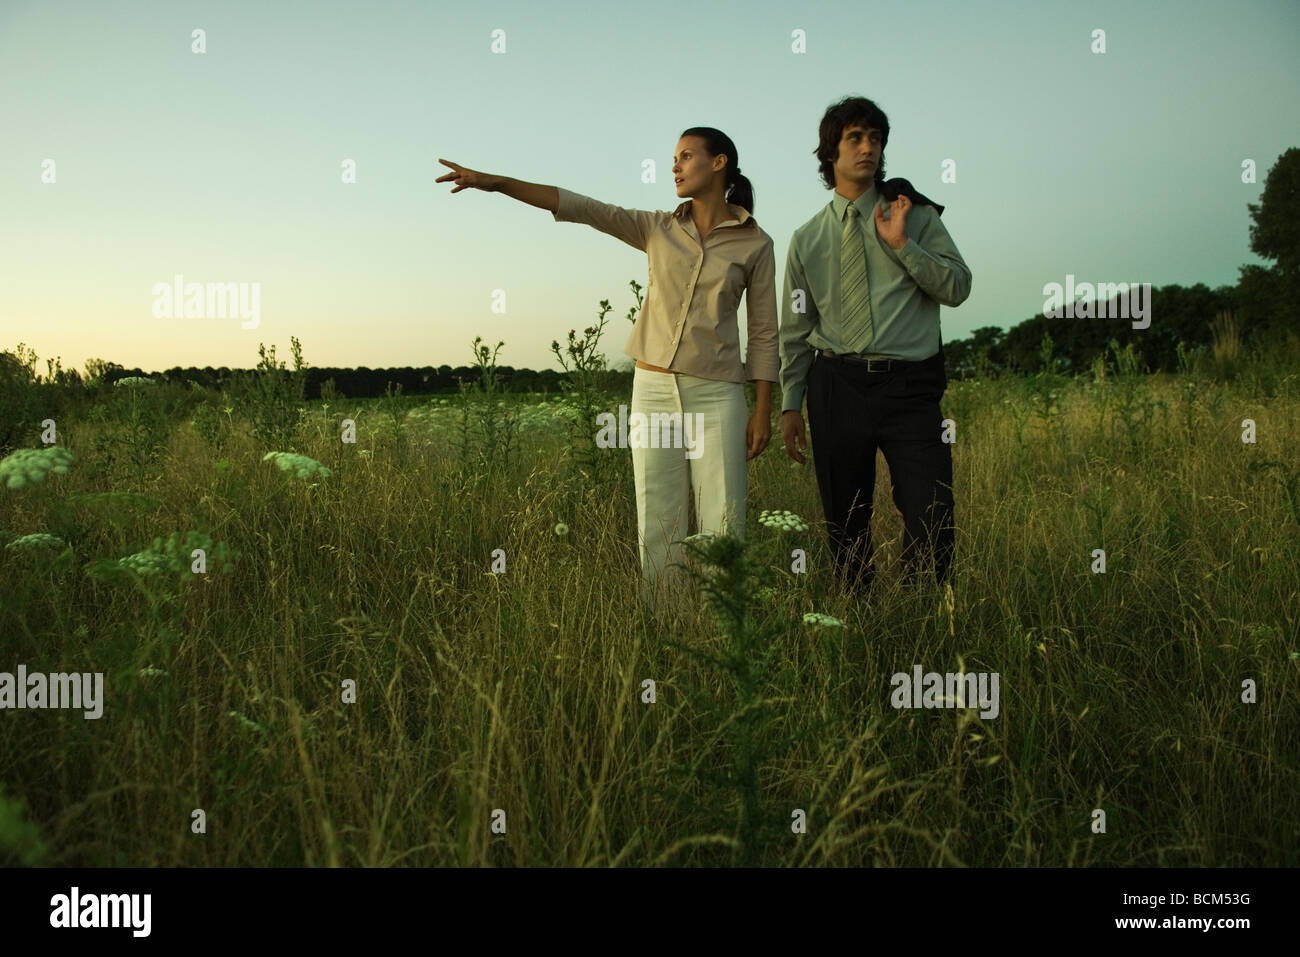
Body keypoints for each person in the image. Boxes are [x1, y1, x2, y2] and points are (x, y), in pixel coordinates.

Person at [436, 128, 779, 616]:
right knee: (658, 517)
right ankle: (668, 627)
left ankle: (727, 635)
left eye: (686, 156)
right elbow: (581, 206)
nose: (676, 166)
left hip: (718, 393)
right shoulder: (658, 227)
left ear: (719, 162)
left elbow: (765, 332)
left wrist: (763, 409)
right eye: (673, 158)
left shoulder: (756, 244)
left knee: (724, 520)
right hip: (652, 389)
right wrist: (494, 182)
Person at [779, 96, 972, 595]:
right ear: (831, 152)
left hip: (910, 387)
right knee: (846, 521)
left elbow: (956, 287)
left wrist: (902, 245)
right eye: (855, 138)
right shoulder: (806, 240)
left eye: (876, 138)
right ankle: (860, 621)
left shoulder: (914, 215)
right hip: (836, 387)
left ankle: (923, 613)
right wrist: (790, 404)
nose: (869, 148)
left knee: (933, 509)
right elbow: (796, 328)